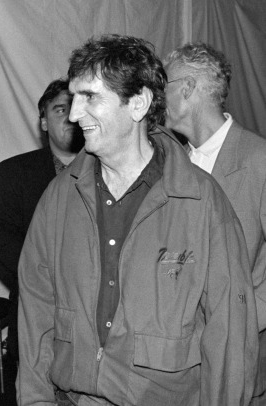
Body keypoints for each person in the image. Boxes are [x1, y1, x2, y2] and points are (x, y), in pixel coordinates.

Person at [17, 34, 258, 406]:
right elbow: (36, 315)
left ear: (138, 103)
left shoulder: (201, 201)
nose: (75, 113)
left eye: (90, 97)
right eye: (73, 97)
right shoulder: (60, 197)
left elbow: (228, 336)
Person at [164, 41, 266, 405]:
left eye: (165, 84)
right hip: (177, 365)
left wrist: (239, 325)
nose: (158, 97)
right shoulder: (169, 165)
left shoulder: (259, 160)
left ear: (188, 89)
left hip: (240, 361)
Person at [0, 78, 83, 362]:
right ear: (43, 122)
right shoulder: (15, 173)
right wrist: (52, 279)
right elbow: (4, 243)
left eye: (76, 107)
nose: (70, 117)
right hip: (35, 311)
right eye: (59, 110)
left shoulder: (109, 170)